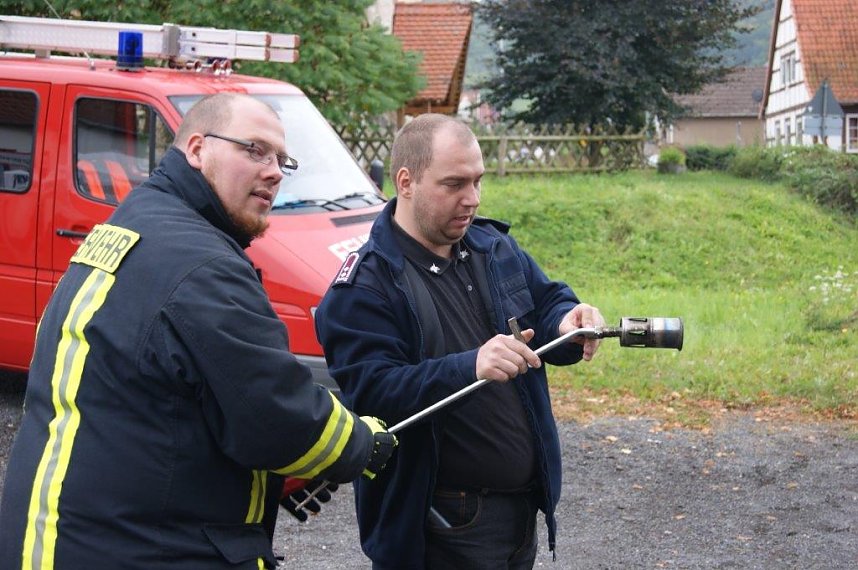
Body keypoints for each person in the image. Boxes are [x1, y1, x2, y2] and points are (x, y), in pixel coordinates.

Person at [0, 93, 395, 570]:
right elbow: (278, 420)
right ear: (196, 149)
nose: (273, 171)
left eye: (281, 161)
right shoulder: (204, 266)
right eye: (254, 150)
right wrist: (362, 443)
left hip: (63, 534)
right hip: (136, 547)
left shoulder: (137, 220)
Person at [315, 113, 605, 569]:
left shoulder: (492, 247)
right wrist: (469, 366)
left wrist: (569, 321)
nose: (471, 199)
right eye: (454, 184)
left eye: (478, 181)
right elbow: (372, 394)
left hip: (520, 512)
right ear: (406, 182)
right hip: (439, 525)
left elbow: (547, 302)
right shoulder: (364, 287)